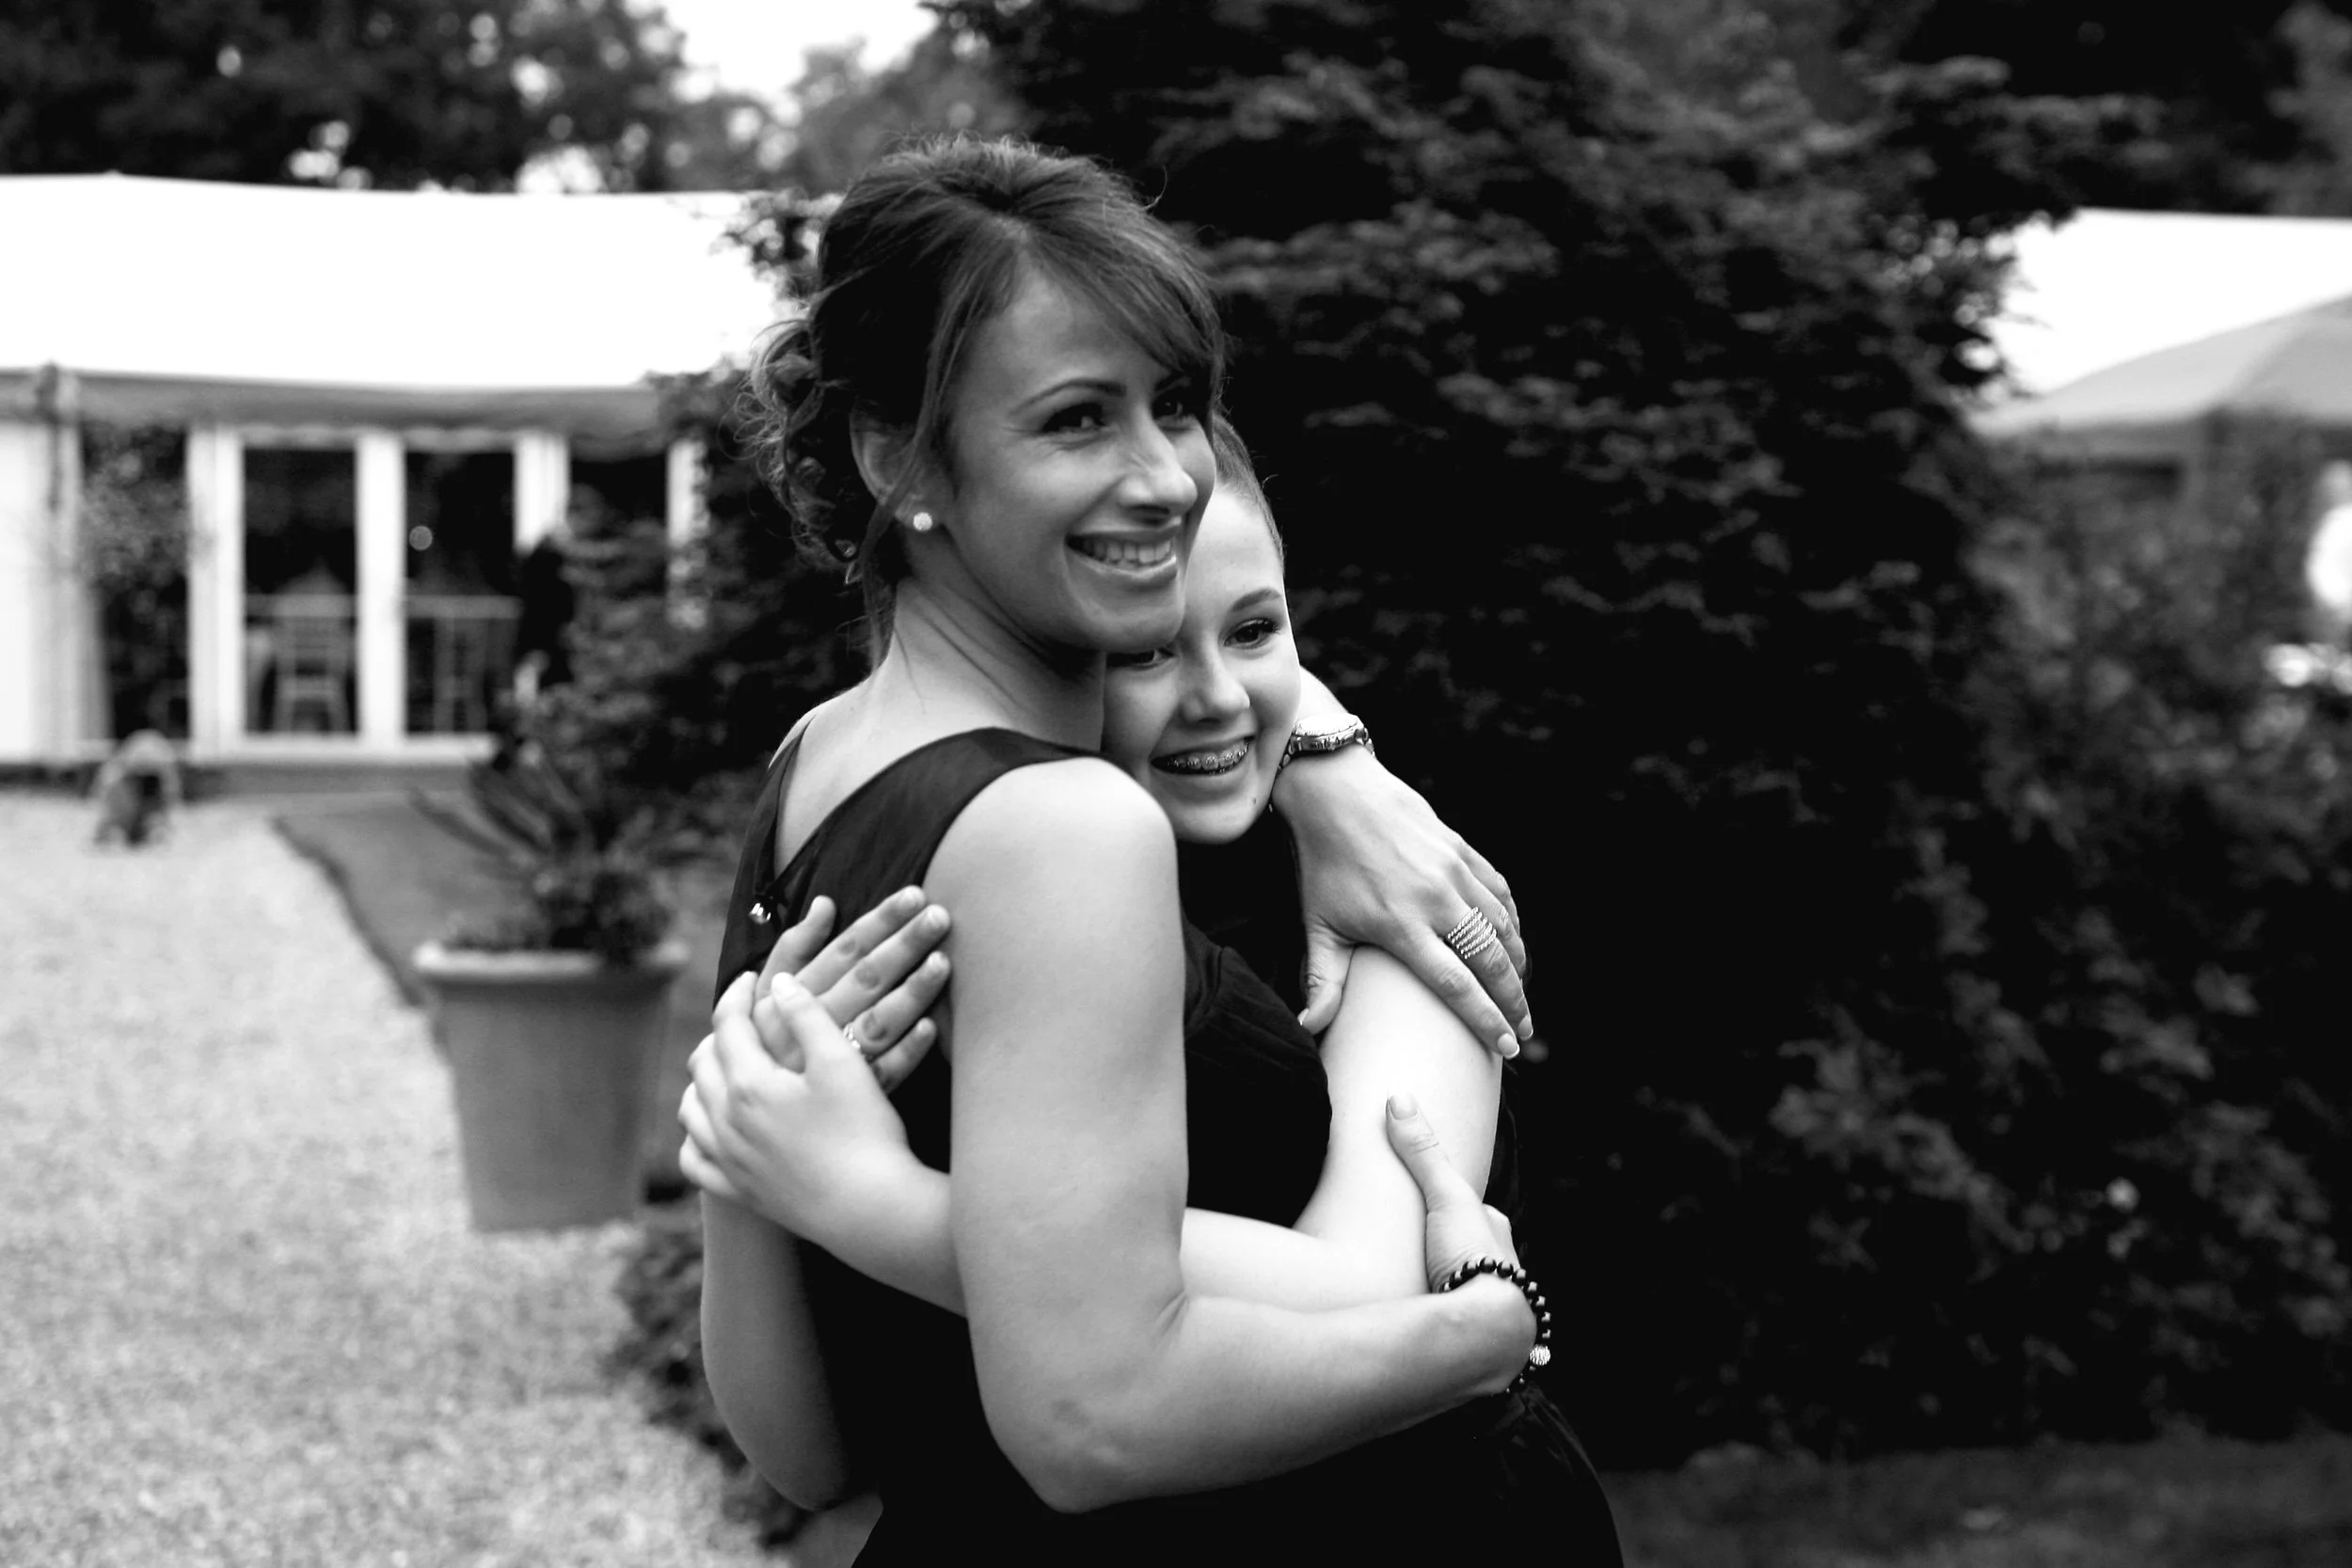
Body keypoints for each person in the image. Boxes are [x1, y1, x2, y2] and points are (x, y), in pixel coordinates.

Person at [691, 135, 1581, 1563]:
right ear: (895, 454)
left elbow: (808, 1453)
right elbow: (1093, 1419)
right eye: (1074, 420)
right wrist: (1478, 1333)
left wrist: (1329, 754)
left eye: (1173, 405)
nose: (1165, 475)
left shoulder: (824, 765)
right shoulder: (1063, 829)